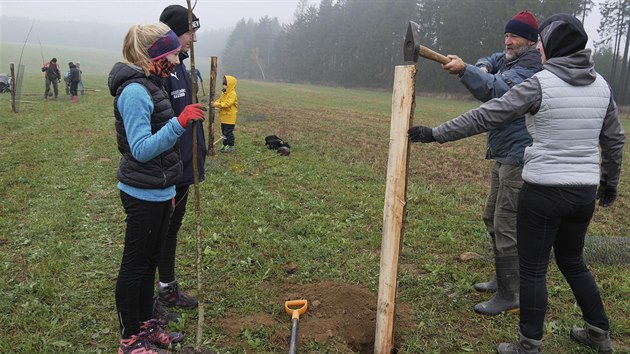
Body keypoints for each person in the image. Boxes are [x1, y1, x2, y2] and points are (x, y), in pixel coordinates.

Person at [408, 13, 624, 354]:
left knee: (534, 269)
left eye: (542, 41)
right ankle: (599, 333)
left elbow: (487, 114)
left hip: (544, 192)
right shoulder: (602, 86)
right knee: (573, 262)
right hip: (582, 193)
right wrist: (609, 182)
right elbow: (613, 139)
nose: (538, 46)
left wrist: (436, 134)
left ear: (553, 46)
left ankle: (528, 345)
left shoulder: (540, 83)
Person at [108, 22, 205, 354]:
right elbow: (141, 148)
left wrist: (170, 184)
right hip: (141, 193)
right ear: (152, 55)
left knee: (149, 262)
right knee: (134, 266)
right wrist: (179, 123)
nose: (177, 62)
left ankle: (147, 324)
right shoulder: (135, 91)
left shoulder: (153, 84)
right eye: (171, 56)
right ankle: (130, 339)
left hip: (161, 190)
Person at [439, 11, 542, 316]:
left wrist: (466, 70)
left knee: (506, 223)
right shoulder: (511, 57)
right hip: (504, 151)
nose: (508, 41)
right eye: (507, 35)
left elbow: (496, 90)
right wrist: (481, 65)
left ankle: (511, 293)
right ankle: (503, 276)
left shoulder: (531, 67)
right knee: (491, 217)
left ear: (531, 41)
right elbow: (493, 59)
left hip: (519, 154)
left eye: (515, 37)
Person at [152, 4, 206, 322]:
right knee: (159, 230)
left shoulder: (181, 65)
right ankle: (153, 296)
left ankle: (167, 285)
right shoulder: (163, 71)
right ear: (173, 32)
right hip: (168, 167)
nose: (194, 39)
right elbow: (161, 122)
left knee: (172, 227)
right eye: (190, 31)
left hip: (184, 165)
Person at [212, 75, 239, 153]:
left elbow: (227, 104)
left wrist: (216, 105)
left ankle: (231, 146)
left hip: (230, 118)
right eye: (223, 84)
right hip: (224, 117)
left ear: (230, 85)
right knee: (224, 132)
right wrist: (214, 103)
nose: (224, 86)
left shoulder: (232, 94)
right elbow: (220, 101)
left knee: (228, 133)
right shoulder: (224, 93)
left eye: (225, 84)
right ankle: (225, 144)